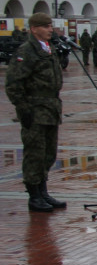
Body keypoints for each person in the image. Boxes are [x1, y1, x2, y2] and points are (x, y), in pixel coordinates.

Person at [4, 13, 67, 212]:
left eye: (51, 26)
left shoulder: (48, 49)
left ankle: (43, 191)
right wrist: (23, 109)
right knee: (34, 154)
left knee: (49, 153)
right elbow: (13, 84)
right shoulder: (27, 51)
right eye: (46, 26)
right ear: (34, 28)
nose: (51, 29)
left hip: (50, 109)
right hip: (35, 110)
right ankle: (34, 195)